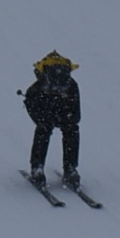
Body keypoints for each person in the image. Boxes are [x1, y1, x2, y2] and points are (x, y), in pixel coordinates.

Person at [21, 52, 81, 187]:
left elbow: (31, 101)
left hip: (45, 111)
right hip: (65, 112)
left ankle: (37, 168)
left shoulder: (40, 84)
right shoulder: (71, 84)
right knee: (71, 132)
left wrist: (41, 120)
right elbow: (76, 112)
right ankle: (70, 169)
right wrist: (70, 120)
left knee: (42, 132)